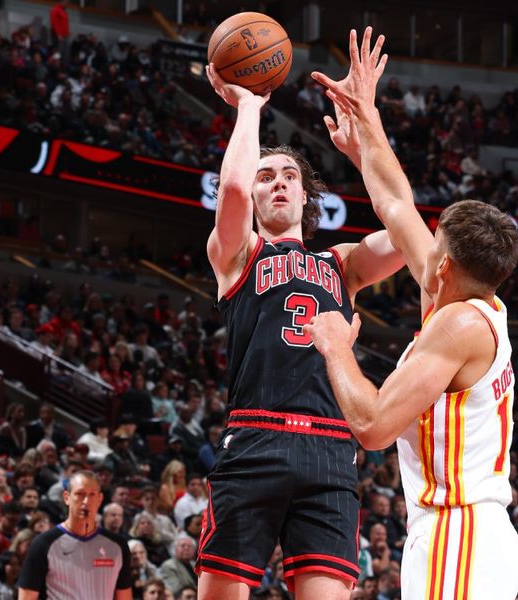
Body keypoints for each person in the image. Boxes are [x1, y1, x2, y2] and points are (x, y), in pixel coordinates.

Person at [307, 28, 518, 599]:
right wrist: (366, 121)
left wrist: (334, 347)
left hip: (460, 531)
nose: (424, 245)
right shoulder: (471, 302)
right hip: (466, 533)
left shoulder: (456, 325)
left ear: (444, 265)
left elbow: (375, 426)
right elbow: (396, 203)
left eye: (436, 244)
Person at [198, 46, 405, 600]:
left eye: (291, 175)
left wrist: (367, 152)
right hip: (255, 439)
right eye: (268, 176)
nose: (280, 183)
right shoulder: (237, 255)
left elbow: (410, 235)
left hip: (331, 450)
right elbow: (234, 190)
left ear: (307, 194)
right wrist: (248, 105)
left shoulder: (342, 264)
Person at [17, 470, 132, 599]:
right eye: (80, 494)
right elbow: (26, 596)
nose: (86, 501)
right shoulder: (43, 543)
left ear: (100, 499)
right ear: (66, 497)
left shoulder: (118, 546)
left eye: (92, 495)